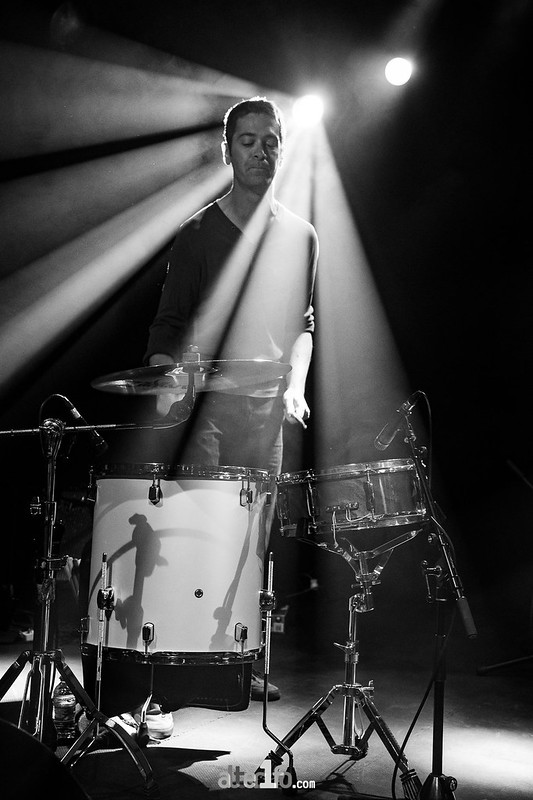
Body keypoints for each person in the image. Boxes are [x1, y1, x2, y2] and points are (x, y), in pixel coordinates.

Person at [142, 96, 318, 721]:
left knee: (254, 541)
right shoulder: (198, 233)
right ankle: (173, 673)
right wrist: (166, 380)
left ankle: (242, 659)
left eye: (271, 141)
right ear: (227, 151)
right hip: (209, 409)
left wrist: (296, 387)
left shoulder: (300, 235)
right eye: (248, 141)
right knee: (197, 533)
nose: (261, 152)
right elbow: (168, 324)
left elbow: (303, 326)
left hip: (266, 410)